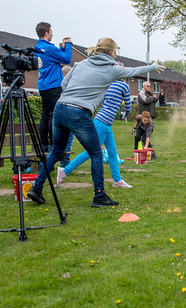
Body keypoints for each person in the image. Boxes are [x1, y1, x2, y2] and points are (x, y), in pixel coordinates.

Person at [27, 37, 165, 207]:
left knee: (56, 152)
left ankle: (36, 188)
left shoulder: (81, 64)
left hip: (60, 109)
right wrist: (152, 66)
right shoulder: (112, 69)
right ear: (111, 52)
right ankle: (99, 196)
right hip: (79, 112)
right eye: (116, 50)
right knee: (96, 153)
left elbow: (63, 83)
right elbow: (132, 71)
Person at [57, 80, 133, 189]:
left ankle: (117, 180)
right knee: (91, 152)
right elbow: (128, 106)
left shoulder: (107, 84)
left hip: (102, 121)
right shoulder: (124, 85)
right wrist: (125, 114)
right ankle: (65, 170)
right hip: (104, 123)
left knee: (112, 152)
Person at [35, 22, 73, 152]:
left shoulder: (39, 47)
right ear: (46, 33)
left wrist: (60, 48)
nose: (52, 34)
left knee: (44, 115)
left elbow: (54, 58)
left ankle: (44, 144)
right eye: (51, 32)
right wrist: (68, 45)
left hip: (43, 85)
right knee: (53, 115)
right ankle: (53, 144)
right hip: (53, 85)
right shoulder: (49, 48)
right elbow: (67, 59)